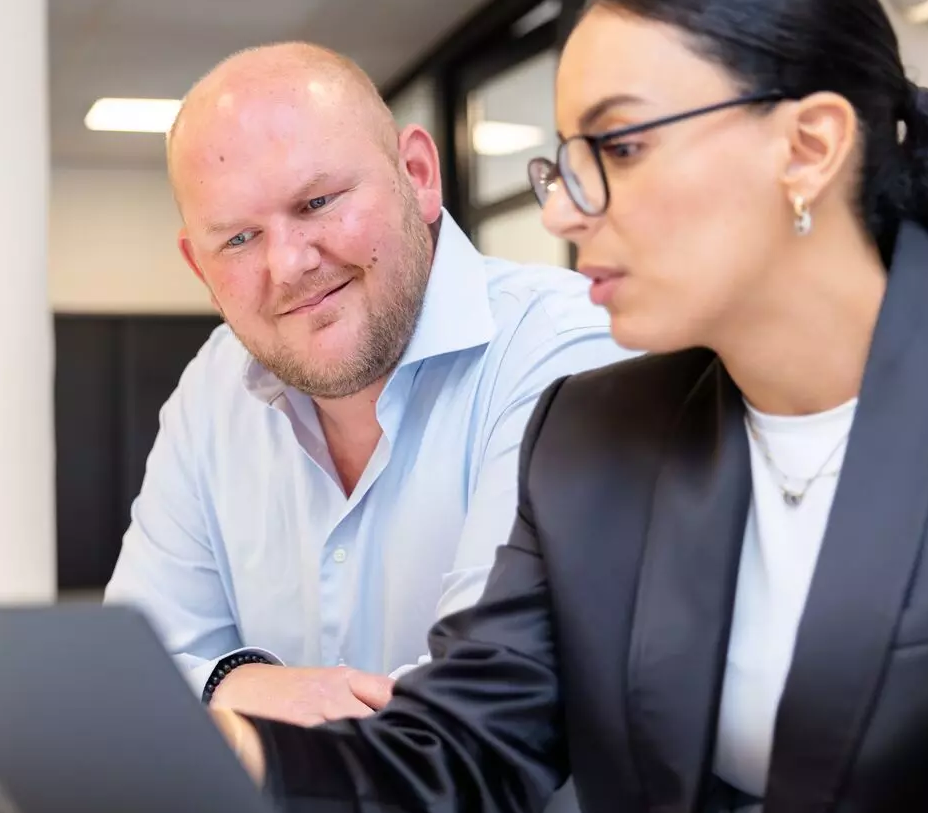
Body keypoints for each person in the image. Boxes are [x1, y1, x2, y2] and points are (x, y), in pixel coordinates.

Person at [208, 0, 928, 813]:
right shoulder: (596, 433)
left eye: (621, 147)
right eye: (564, 161)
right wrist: (218, 760)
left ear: (808, 145)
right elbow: (448, 758)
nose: (561, 210)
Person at [105, 43, 631, 734]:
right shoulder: (214, 386)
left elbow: (485, 695)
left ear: (417, 174)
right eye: (238, 238)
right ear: (198, 267)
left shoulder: (567, 349)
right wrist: (238, 679)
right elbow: (127, 670)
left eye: (317, 202)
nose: (289, 264)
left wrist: (220, 701)